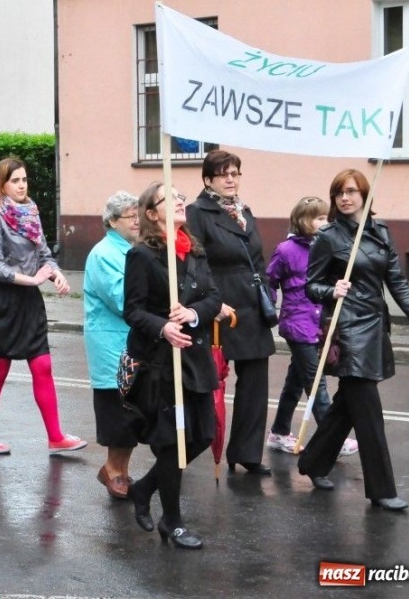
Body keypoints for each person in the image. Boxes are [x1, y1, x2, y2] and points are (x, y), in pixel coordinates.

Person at [298, 169, 409, 511]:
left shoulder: (380, 232)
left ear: (363, 195)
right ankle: (381, 490)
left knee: (348, 405)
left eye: (350, 192)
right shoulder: (327, 237)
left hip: (374, 327)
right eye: (338, 193)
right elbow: (310, 287)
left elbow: (397, 282)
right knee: (369, 411)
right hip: (346, 330)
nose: (344, 198)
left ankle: (313, 462)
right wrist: (332, 289)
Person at [123, 183, 220, 549]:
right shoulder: (143, 255)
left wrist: (193, 313)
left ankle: (145, 488)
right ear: (152, 214)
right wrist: (163, 326)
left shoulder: (192, 248)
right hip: (162, 365)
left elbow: (212, 296)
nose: (180, 201)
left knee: (203, 435)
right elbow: (132, 310)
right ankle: (173, 522)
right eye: (170, 198)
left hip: (194, 359)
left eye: (181, 196)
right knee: (172, 441)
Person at [0, 157, 87, 455]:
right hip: (0, 301)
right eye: (15, 181)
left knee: (43, 365)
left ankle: (55, 436)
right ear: (1, 184)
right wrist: (32, 279)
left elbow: (45, 256)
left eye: (24, 180)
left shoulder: (31, 213)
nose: (22, 185)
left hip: (28, 300)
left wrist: (57, 274)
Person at [185, 150, 274, 476]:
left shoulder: (244, 211)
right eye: (223, 174)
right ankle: (195, 444)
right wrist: (211, 302)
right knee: (209, 383)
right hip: (220, 310)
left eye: (235, 173)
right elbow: (195, 262)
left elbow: (258, 259)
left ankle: (247, 454)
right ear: (208, 179)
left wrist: (267, 291)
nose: (231, 179)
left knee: (255, 385)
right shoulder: (198, 212)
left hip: (251, 309)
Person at [266, 196, 358, 457]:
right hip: (298, 323)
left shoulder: (327, 247)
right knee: (316, 382)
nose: (324, 222)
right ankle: (333, 439)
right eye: (319, 218)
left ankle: (279, 432)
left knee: (296, 381)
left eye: (326, 217)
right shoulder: (286, 250)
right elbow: (270, 280)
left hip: (319, 322)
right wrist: (270, 306)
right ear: (303, 221)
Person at [83, 190, 140, 499]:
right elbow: (122, 300)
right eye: (131, 216)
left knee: (131, 411)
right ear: (113, 221)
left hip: (128, 342)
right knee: (116, 411)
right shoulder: (105, 254)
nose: (137, 221)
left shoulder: (129, 249)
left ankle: (122, 470)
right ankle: (112, 470)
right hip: (111, 344)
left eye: (138, 215)